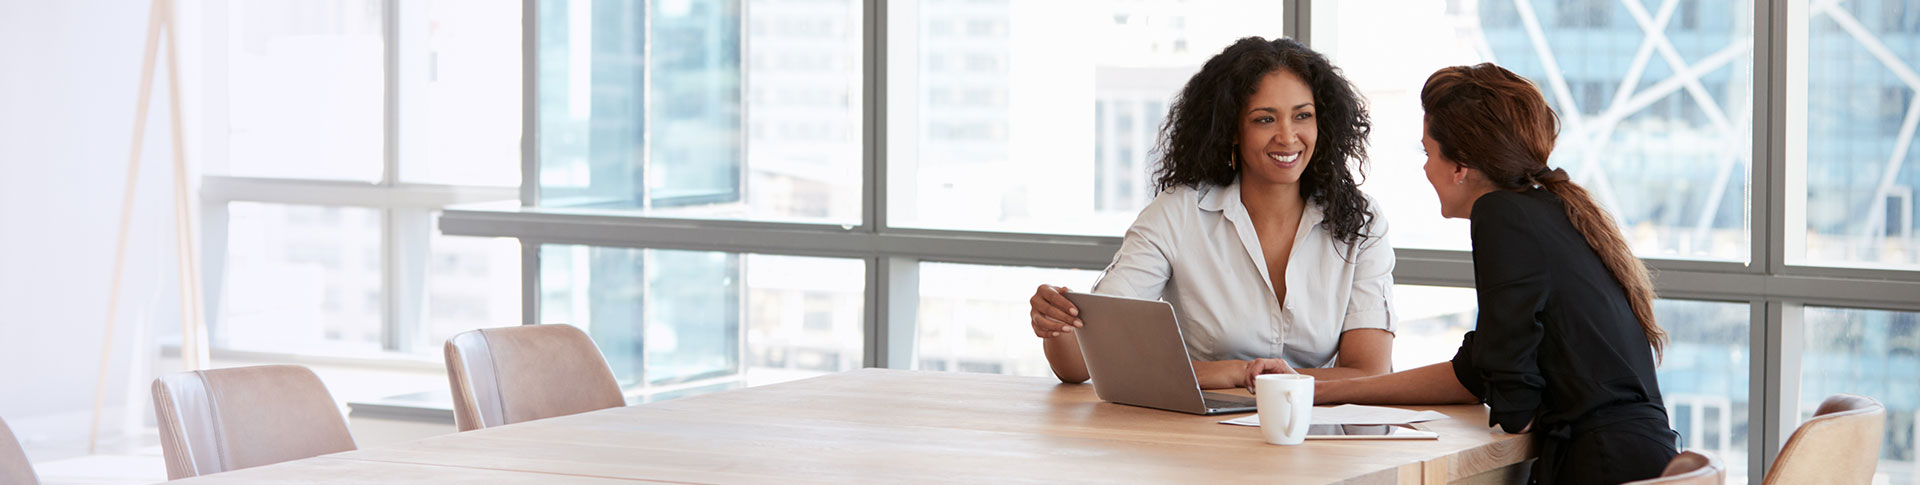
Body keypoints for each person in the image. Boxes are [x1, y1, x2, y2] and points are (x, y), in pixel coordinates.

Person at [1248, 63, 1677, 484]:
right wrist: (1315, 388)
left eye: (1427, 152)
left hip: (1601, 466)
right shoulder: (1548, 210)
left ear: (1460, 167)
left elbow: (1515, 407)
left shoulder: (1501, 214)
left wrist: (1511, 392)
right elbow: (1474, 374)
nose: (1425, 168)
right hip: (1635, 457)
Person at [1027, 36, 1397, 390]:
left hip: (1315, 434)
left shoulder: (1360, 222)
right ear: (1232, 129)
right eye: (1265, 119)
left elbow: (1368, 372)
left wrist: (1255, 379)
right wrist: (1056, 321)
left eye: (1302, 116)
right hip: (1198, 438)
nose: (1287, 136)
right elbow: (1080, 363)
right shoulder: (1178, 214)